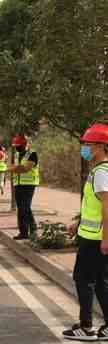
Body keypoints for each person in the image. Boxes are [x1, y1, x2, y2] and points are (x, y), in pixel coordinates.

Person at [63, 123, 108, 341]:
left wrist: (106, 239)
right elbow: (95, 206)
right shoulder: (101, 170)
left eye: (88, 144)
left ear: (101, 146)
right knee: (100, 282)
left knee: (83, 279)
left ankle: (87, 328)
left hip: (95, 239)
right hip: (94, 235)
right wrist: (78, 222)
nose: (85, 148)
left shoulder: (101, 172)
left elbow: (107, 207)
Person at [9, 135, 39, 240]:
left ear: (25, 144)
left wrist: (15, 168)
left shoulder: (32, 154)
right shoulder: (17, 155)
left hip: (29, 184)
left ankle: (29, 231)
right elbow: (14, 167)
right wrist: (16, 168)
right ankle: (28, 231)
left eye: (19, 146)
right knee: (22, 208)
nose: (17, 148)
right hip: (18, 184)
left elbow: (26, 168)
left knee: (24, 207)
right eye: (16, 146)